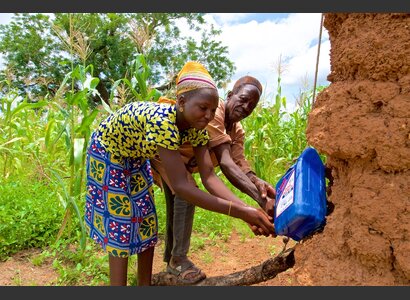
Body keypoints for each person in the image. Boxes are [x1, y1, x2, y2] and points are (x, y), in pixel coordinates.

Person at [83, 61, 275, 286]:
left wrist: (246, 211)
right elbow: (183, 186)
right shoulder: (163, 122)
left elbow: (210, 177)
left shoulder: (197, 129)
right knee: (121, 223)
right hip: (108, 154)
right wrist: (243, 212)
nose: (208, 115)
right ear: (182, 102)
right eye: (203, 108)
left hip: (136, 158)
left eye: (213, 111)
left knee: (146, 223)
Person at [150, 75, 277, 285]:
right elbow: (226, 164)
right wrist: (260, 204)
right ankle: (178, 259)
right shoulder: (212, 113)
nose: (246, 107)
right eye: (243, 99)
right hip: (163, 153)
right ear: (230, 95)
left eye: (251, 106)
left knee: (178, 202)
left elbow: (239, 164)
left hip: (179, 162)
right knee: (186, 191)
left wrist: (258, 183)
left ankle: (173, 262)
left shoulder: (236, 130)